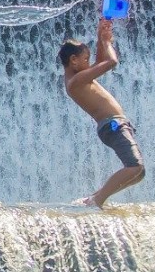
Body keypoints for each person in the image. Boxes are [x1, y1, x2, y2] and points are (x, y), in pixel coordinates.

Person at [59, 19, 145, 208]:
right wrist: (107, 43)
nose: (89, 63)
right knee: (134, 167)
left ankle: (94, 197)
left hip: (115, 125)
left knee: (139, 173)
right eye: (85, 59)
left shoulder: (79, 77)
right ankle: (97, 200)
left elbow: (100, 61)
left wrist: (101, 36)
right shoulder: (76, 81)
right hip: (112, 125)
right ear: (73, 61)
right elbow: (110, 62)